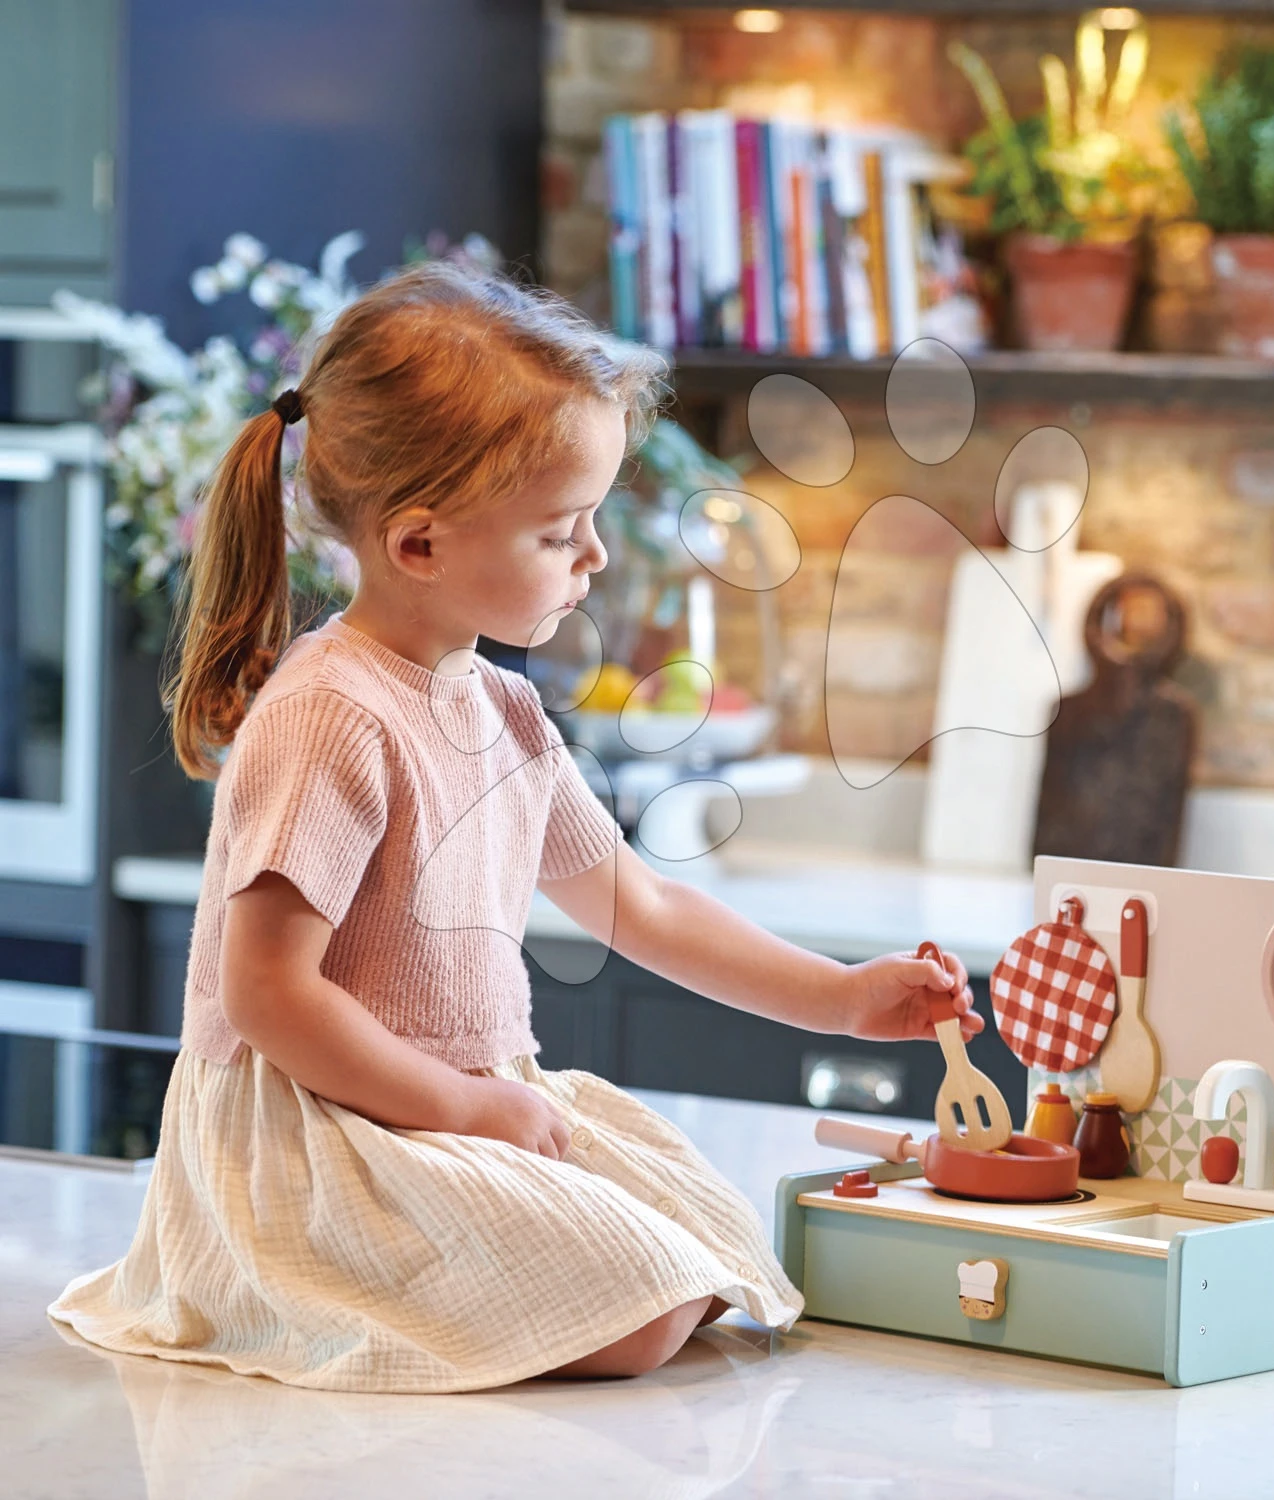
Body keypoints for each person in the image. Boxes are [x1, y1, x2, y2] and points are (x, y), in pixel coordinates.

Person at [47, 260, 983, 1393]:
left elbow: (638, 903)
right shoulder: (329, 714)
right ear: (420, 544)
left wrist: (838, 995)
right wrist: (464, 1106)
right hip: (323, 1131)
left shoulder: (503, 707)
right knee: (644, 1314)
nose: (593, 555)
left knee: (702, 1259)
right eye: (561, 530)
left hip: (452, 1107)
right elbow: (268, 997)